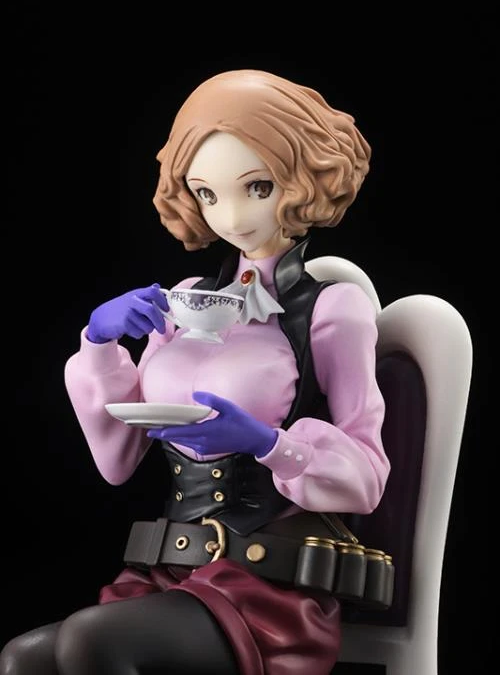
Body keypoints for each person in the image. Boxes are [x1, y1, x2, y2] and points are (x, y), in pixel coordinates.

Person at [0, 70, 390, 674]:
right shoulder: (185, 300)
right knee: (24, 658)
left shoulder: (330, 308)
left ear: (300, 179)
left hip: (269, 582)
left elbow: (367, 476)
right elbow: (117, 461)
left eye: (256, 187)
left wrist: (265, 443)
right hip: (173, 570)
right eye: (208, 194)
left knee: (91, 641)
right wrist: (99, 341)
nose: (231, 215)